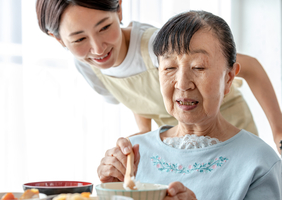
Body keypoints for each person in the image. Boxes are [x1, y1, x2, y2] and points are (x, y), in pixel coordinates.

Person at [35, 0, 282, 151]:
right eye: (78, 39)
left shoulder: (156, 45)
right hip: (181, 141)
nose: (98, 49)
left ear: (119, 9)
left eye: (105, 27)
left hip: (225, 126)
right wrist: (144, 132)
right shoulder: (88, 66)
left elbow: (250, 67)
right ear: (58, 39)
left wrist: (279, 130)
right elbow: (137, 96)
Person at [97, 10, 282, 199]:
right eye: (169, 68)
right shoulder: (133, 156)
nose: (183, 84)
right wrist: (111, 190)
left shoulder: (260, 162)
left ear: (229, 78)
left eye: (198, 67)